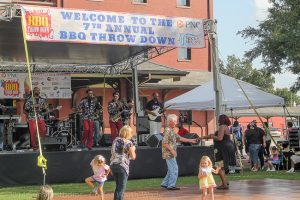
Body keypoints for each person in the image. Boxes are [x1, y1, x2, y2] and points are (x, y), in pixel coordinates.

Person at [161, 114, 198, 190]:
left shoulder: (171, 130)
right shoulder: (168, 130)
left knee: (171, 169)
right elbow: (164, 143)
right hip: (169, 153)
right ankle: (171, 185)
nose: (176, 122)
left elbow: (180, 138)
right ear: (170, 122)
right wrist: (172, 151)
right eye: (175, 121)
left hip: (169, 153)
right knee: (174, 169)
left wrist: (191, 140)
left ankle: (165, 183)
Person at [199, 114, 235, 189]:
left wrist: (212, 136)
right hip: (226, 147)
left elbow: (219, 138)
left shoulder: (222, 127)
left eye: (219, 119)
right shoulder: (225, 127)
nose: (218, 120)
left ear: (222, 119)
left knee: (219, 166)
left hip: (222, 148)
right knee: (221, 166)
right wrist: (202, 137)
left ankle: (224, 184)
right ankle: (225, 182)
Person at [110, 125, 136, 200]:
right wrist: (133, 149)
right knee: (121, 189)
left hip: (113, 165)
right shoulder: (129, 143)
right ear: (128, 133)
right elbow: (133, 157)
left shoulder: (116, 139)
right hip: (122, 167)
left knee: (118, 187)